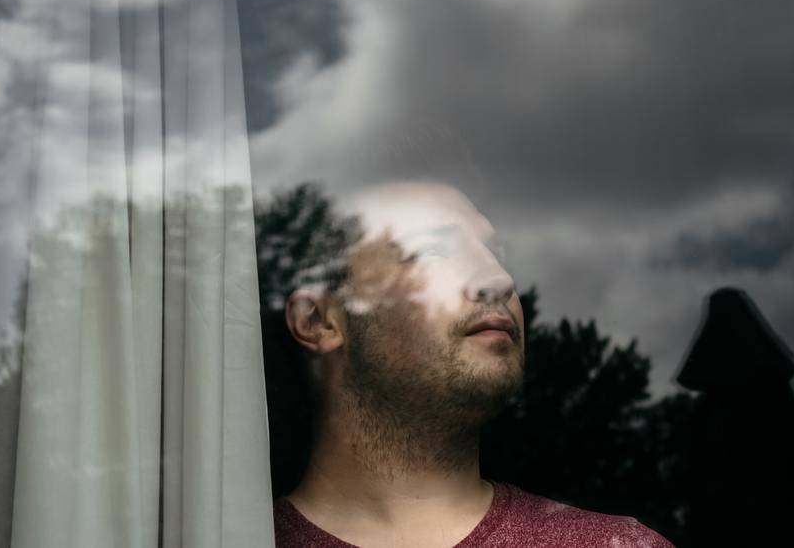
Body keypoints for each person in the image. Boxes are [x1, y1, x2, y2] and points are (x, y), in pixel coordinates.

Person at [273, 181, 674, 547]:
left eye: (496, 255)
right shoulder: (227, 537)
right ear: (319, 321)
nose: (500, 279)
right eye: (433, 250)